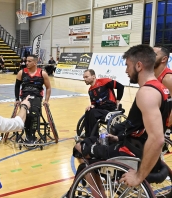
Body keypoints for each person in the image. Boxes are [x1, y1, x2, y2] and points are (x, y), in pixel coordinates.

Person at [73, 45, 171, 192]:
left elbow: (157, 139)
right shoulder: (160, 88)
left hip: (132, 152)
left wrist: (138, 176)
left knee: (79, 148)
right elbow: (143, 129)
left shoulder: (147, 93)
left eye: (127, 66)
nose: (125, 70)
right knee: (95, 140)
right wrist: (118, 138)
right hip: (134, 145)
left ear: (139, 66)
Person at [15, 54, 51, 143]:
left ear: (35, 62)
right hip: (24, 96)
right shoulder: (21, 72)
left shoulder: (43, 73)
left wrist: (46, 100)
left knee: (34, 112)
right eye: (26, 61)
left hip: (37, 96)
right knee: (26, 113)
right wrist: (17, 99)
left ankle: (32, 134)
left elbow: (48, 87)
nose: (26, 63)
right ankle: (28, 135)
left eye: (29, 61)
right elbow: (17, 86)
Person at [82, 69, 124, 137]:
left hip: (110, 108)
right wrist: (92, 106)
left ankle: (93, 137)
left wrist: (118, 100)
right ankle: (88, 135)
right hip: (100, 109)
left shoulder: (104, 81)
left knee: (93, 113)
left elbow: (120, 87)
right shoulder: (90, 90)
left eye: (86, 77)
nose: (84, 79)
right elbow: (94, 103)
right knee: (88, 111)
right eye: (84, 77)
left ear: (93, 76)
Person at [153, 45, 172, 128]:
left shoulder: (168, 78)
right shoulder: (150, 75)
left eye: (154, 54)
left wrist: (168, 122)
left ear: (164, 59)